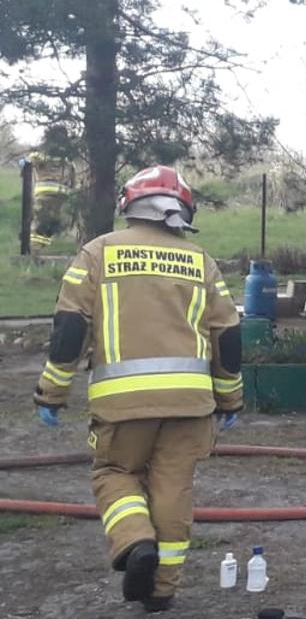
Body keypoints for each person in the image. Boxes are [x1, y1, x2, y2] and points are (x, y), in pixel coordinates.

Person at [31, 166, 243, 613]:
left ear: (130, 204)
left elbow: (70, 327)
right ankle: (162, 591)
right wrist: (231, 398)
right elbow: (227, 334)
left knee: (114, 473)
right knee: (173, 490)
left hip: (122, 403)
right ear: (182, 211)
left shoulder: (97, 253)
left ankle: (134, 540)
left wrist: (53, 391)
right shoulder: (199, 261)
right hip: (190, 405)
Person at [25, 126, 77, 253]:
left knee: (41, 225)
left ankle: (36, 251)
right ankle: (38, 251)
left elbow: (27, 162)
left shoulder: (42, 155)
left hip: (44, 195)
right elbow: (73, 179)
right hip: (61, 197)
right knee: (51, 225)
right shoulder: (67, 157)